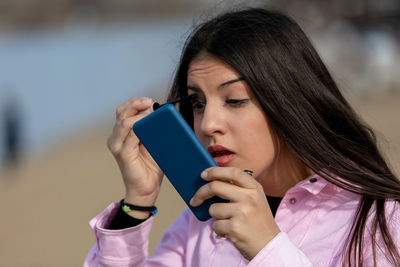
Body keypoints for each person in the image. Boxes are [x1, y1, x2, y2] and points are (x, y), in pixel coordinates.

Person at [84, 8, 400, 267]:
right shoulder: (201, 222)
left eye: (234, 100)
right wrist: (136, 203)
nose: (208, 124)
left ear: (290, 101)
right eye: (197, 103)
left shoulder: (383, 221)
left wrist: (267, 248)